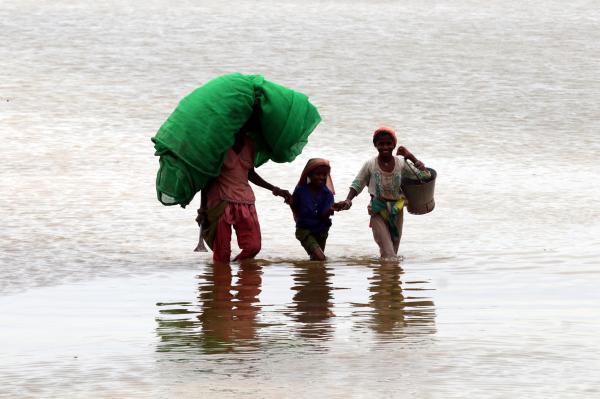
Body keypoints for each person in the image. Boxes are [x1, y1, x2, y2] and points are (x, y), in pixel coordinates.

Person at [196, 119, 291, 264]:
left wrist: (274, 189)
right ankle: (221, 278)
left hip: (246, 201)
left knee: (253, 247)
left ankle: (233, 267)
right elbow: (207, 178)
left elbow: (250, 173)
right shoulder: (218, 145)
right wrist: (202, 209)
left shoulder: (249, 144)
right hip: (221, 202)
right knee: (222, 252)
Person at [339, 127, 429, 259]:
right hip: (378, 210)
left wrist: (410, 156)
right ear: (375, 145)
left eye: (388, 143)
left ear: (394, 145)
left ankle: (388, 278)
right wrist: (348, 200)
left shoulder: (401, 164)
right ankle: (386, 276)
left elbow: (424, 176)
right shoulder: (370, 164)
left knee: (393, 252)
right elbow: (358, 183)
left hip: (397, 209)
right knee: (388, 253)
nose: (385, 146)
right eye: (381, 144)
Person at [290, 158, 344, 261]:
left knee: (316, 259)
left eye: (324, 175)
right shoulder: (300, 190)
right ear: (309, 175)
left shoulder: (327, 194)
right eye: (318, 174)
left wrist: (331, 209)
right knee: (320, 257)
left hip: (321, 230)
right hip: (304, 229)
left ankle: (313, 276)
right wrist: (289, 200)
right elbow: (295, 206)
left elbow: (323, 215)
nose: (321, 177)